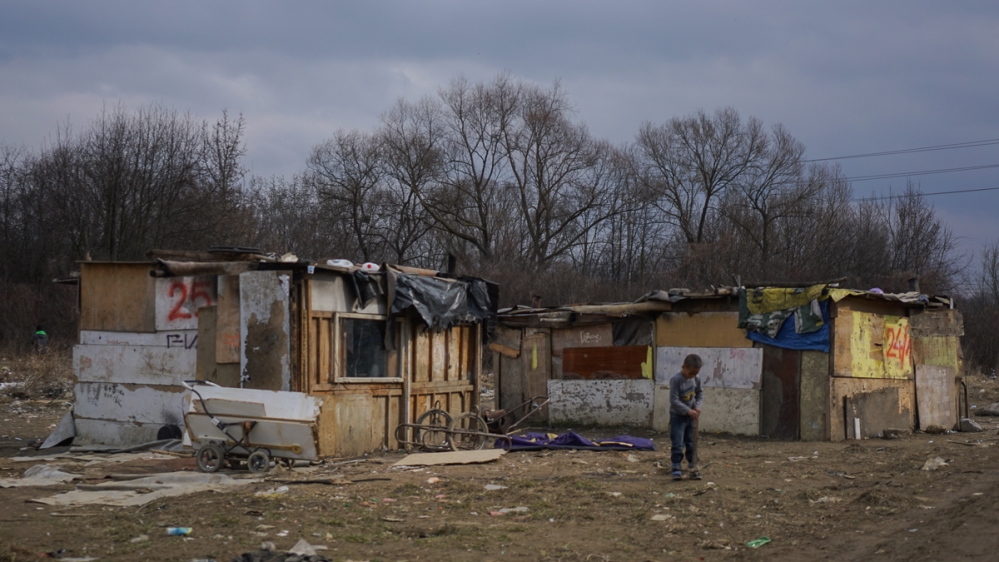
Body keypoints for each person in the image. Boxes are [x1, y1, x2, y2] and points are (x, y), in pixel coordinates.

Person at [669, 353, 703, 481]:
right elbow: (674, 400)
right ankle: (676, 466)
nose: (692, 376)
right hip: (678, 416)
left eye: (695, 374)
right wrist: (687, 410)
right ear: (683, 367)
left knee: (692, 442)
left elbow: (699, 393)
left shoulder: (696, 378)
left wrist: (697, 407)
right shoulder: (676, 379)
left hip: (692, 416)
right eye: (690, 373)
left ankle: (693, 465)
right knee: (678, 442)